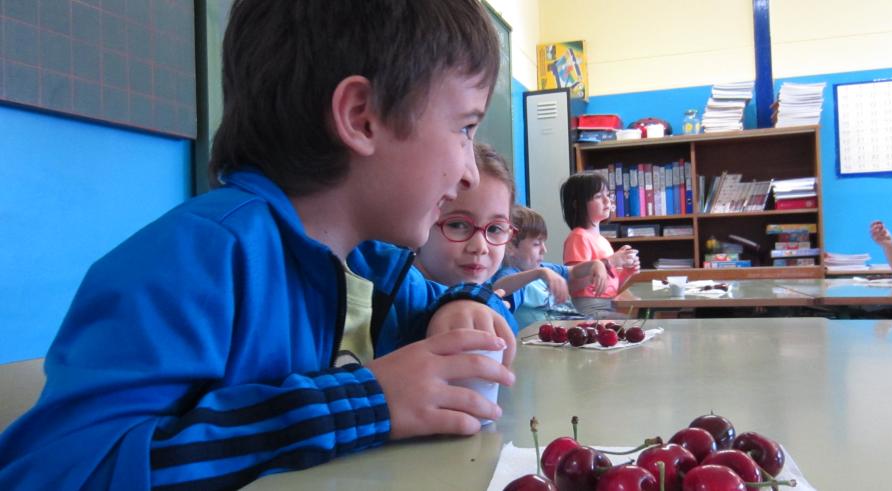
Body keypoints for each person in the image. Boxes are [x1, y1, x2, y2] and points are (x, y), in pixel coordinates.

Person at [0, 1, 518, 489]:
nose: (471, 171)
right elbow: (59, 472)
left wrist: (462, 306)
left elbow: (473, 306)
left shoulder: (375, 267)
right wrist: (365, 403)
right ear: (361, 118)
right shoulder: (195, 260)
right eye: (466, 128)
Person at [414, 144, 524, 332]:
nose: (480, 246)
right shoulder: (401, 294)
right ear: (420, 221)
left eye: (495, 228)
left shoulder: (488, 292)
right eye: (457, 225)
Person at [492, 205, 608, 327]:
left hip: (575, 329)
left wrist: (595, 264)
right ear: (510, 247)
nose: (544, 250)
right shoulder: (513, 275)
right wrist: (539, 273)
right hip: (546, 341)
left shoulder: (544, 267)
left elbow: (574, 271)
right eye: (536, 244)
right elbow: (498, 289)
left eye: (543, 243)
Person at [559, 172, 641, 318]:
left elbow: (609, 286)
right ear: (577, 205)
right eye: (598, 196)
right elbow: (574, 285)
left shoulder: (603, 241)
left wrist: (627, 272)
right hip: (588, 308)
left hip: (608, 304)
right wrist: (612, 261)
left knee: (636, 324)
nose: (607, 201)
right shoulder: (578, 237)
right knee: (635, 325)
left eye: (608, 195)